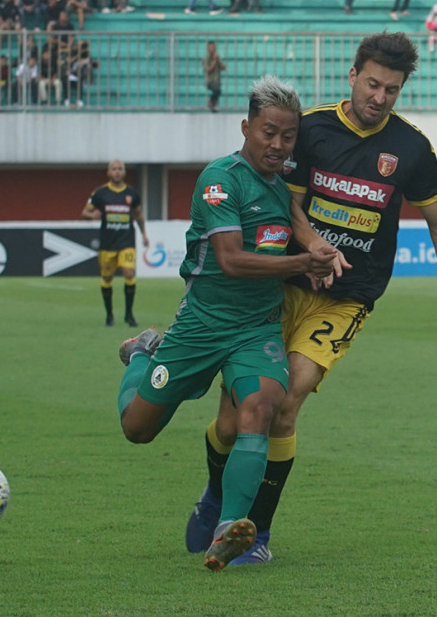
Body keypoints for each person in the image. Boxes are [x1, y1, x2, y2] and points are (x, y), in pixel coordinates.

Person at [184, 32, 437, 566]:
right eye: (373, 84)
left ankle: (255, 535)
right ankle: (214, 499)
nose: (380, 97)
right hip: (280, 287)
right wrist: (313, 244)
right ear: (352, 76)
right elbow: (287, 202)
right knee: (232, 422)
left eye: (392, 89)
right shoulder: (314, 129)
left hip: (346, 300)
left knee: (284, 404)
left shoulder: (412, 149)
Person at [114, 76, 337, 572]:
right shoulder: (220, 179)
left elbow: (300, 225)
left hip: (256, 329)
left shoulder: (281, 189)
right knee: (137, 430)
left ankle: (230, 532)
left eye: (287, 136)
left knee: (260, 406)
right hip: (200, 326)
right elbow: (232, 260)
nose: (278, 145)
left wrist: (322, 249)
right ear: (246, 127)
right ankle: (143, 353)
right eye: (268, 133)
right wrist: (304, 264)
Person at [82, 159, 150, 327]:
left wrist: (144, 235)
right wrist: (92, 216)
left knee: (128, 273)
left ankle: (129, 314)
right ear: (109, 172)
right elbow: (85, 212)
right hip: (107, 244)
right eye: (114, 169)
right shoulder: (100, 193)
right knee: (107, 278)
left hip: (126, 241)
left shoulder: (132, 194)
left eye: (120, 169)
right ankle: (109, 315)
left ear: (124, 172)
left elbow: (138, 215)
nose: (118, 171)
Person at [203, 40, 225, 112]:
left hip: (217, 80)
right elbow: (208, 70)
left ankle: (213, 108)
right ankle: (210, 101)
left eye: (213, 47)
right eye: (210, 47)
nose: (212, 48)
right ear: (208, 48)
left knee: (216, 95)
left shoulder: (217, 57)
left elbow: (223, 67)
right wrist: (214, 61)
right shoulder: (206, 59)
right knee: (217, 90)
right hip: (210, 81)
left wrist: (218, 60)